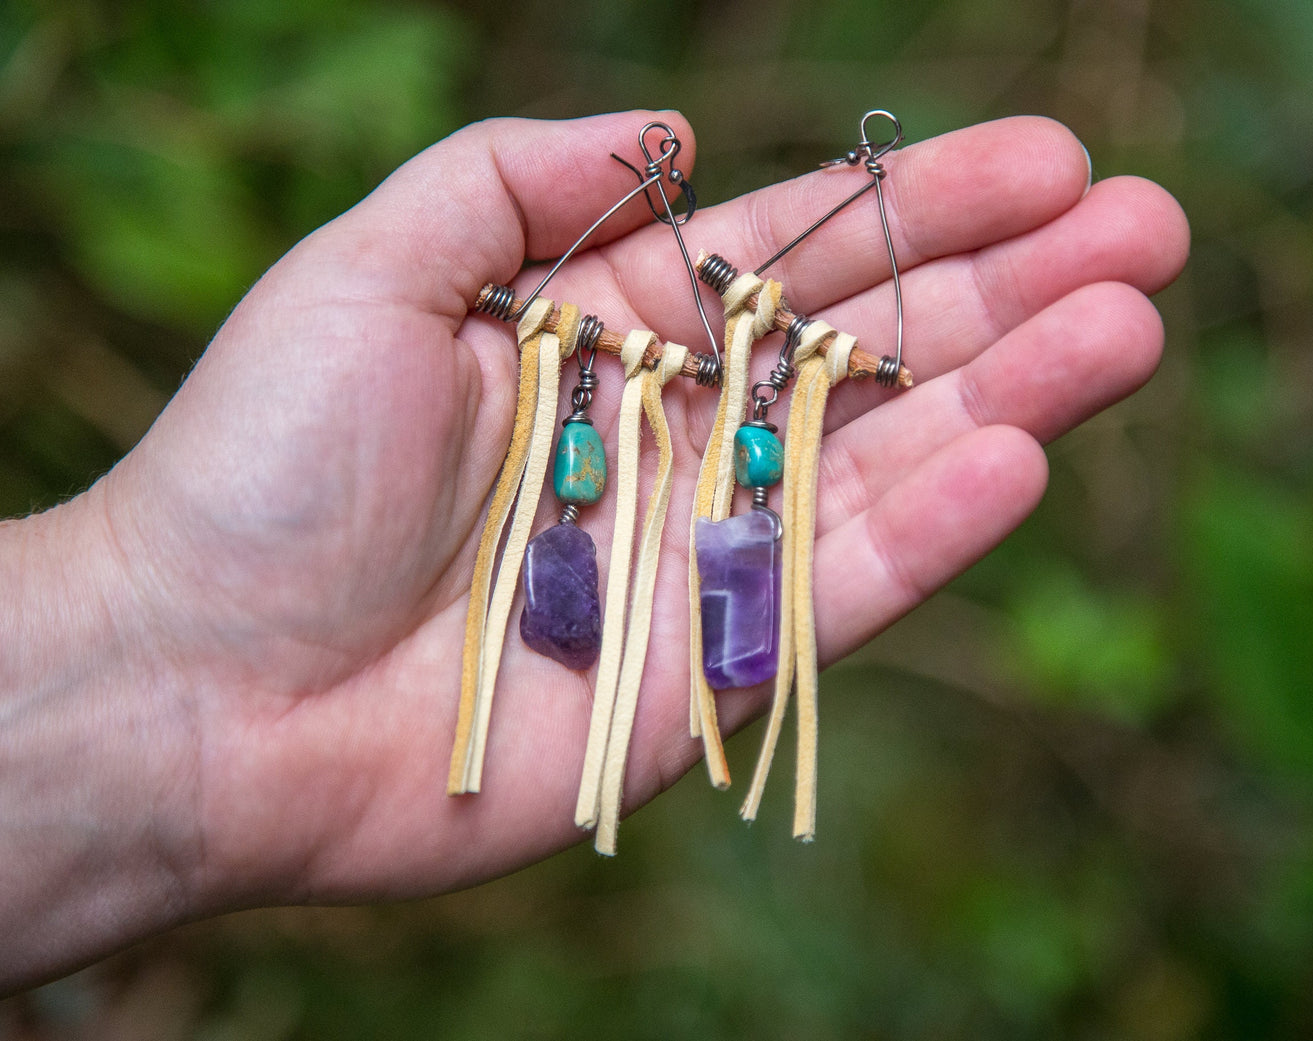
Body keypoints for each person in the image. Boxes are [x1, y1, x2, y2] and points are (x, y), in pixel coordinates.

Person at [0, 109, 1189, 994]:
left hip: (701, 407)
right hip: (641, 398)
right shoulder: (613, 384)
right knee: (652, 527)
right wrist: (143, 625)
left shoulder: (727, 394)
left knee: (735, 534)